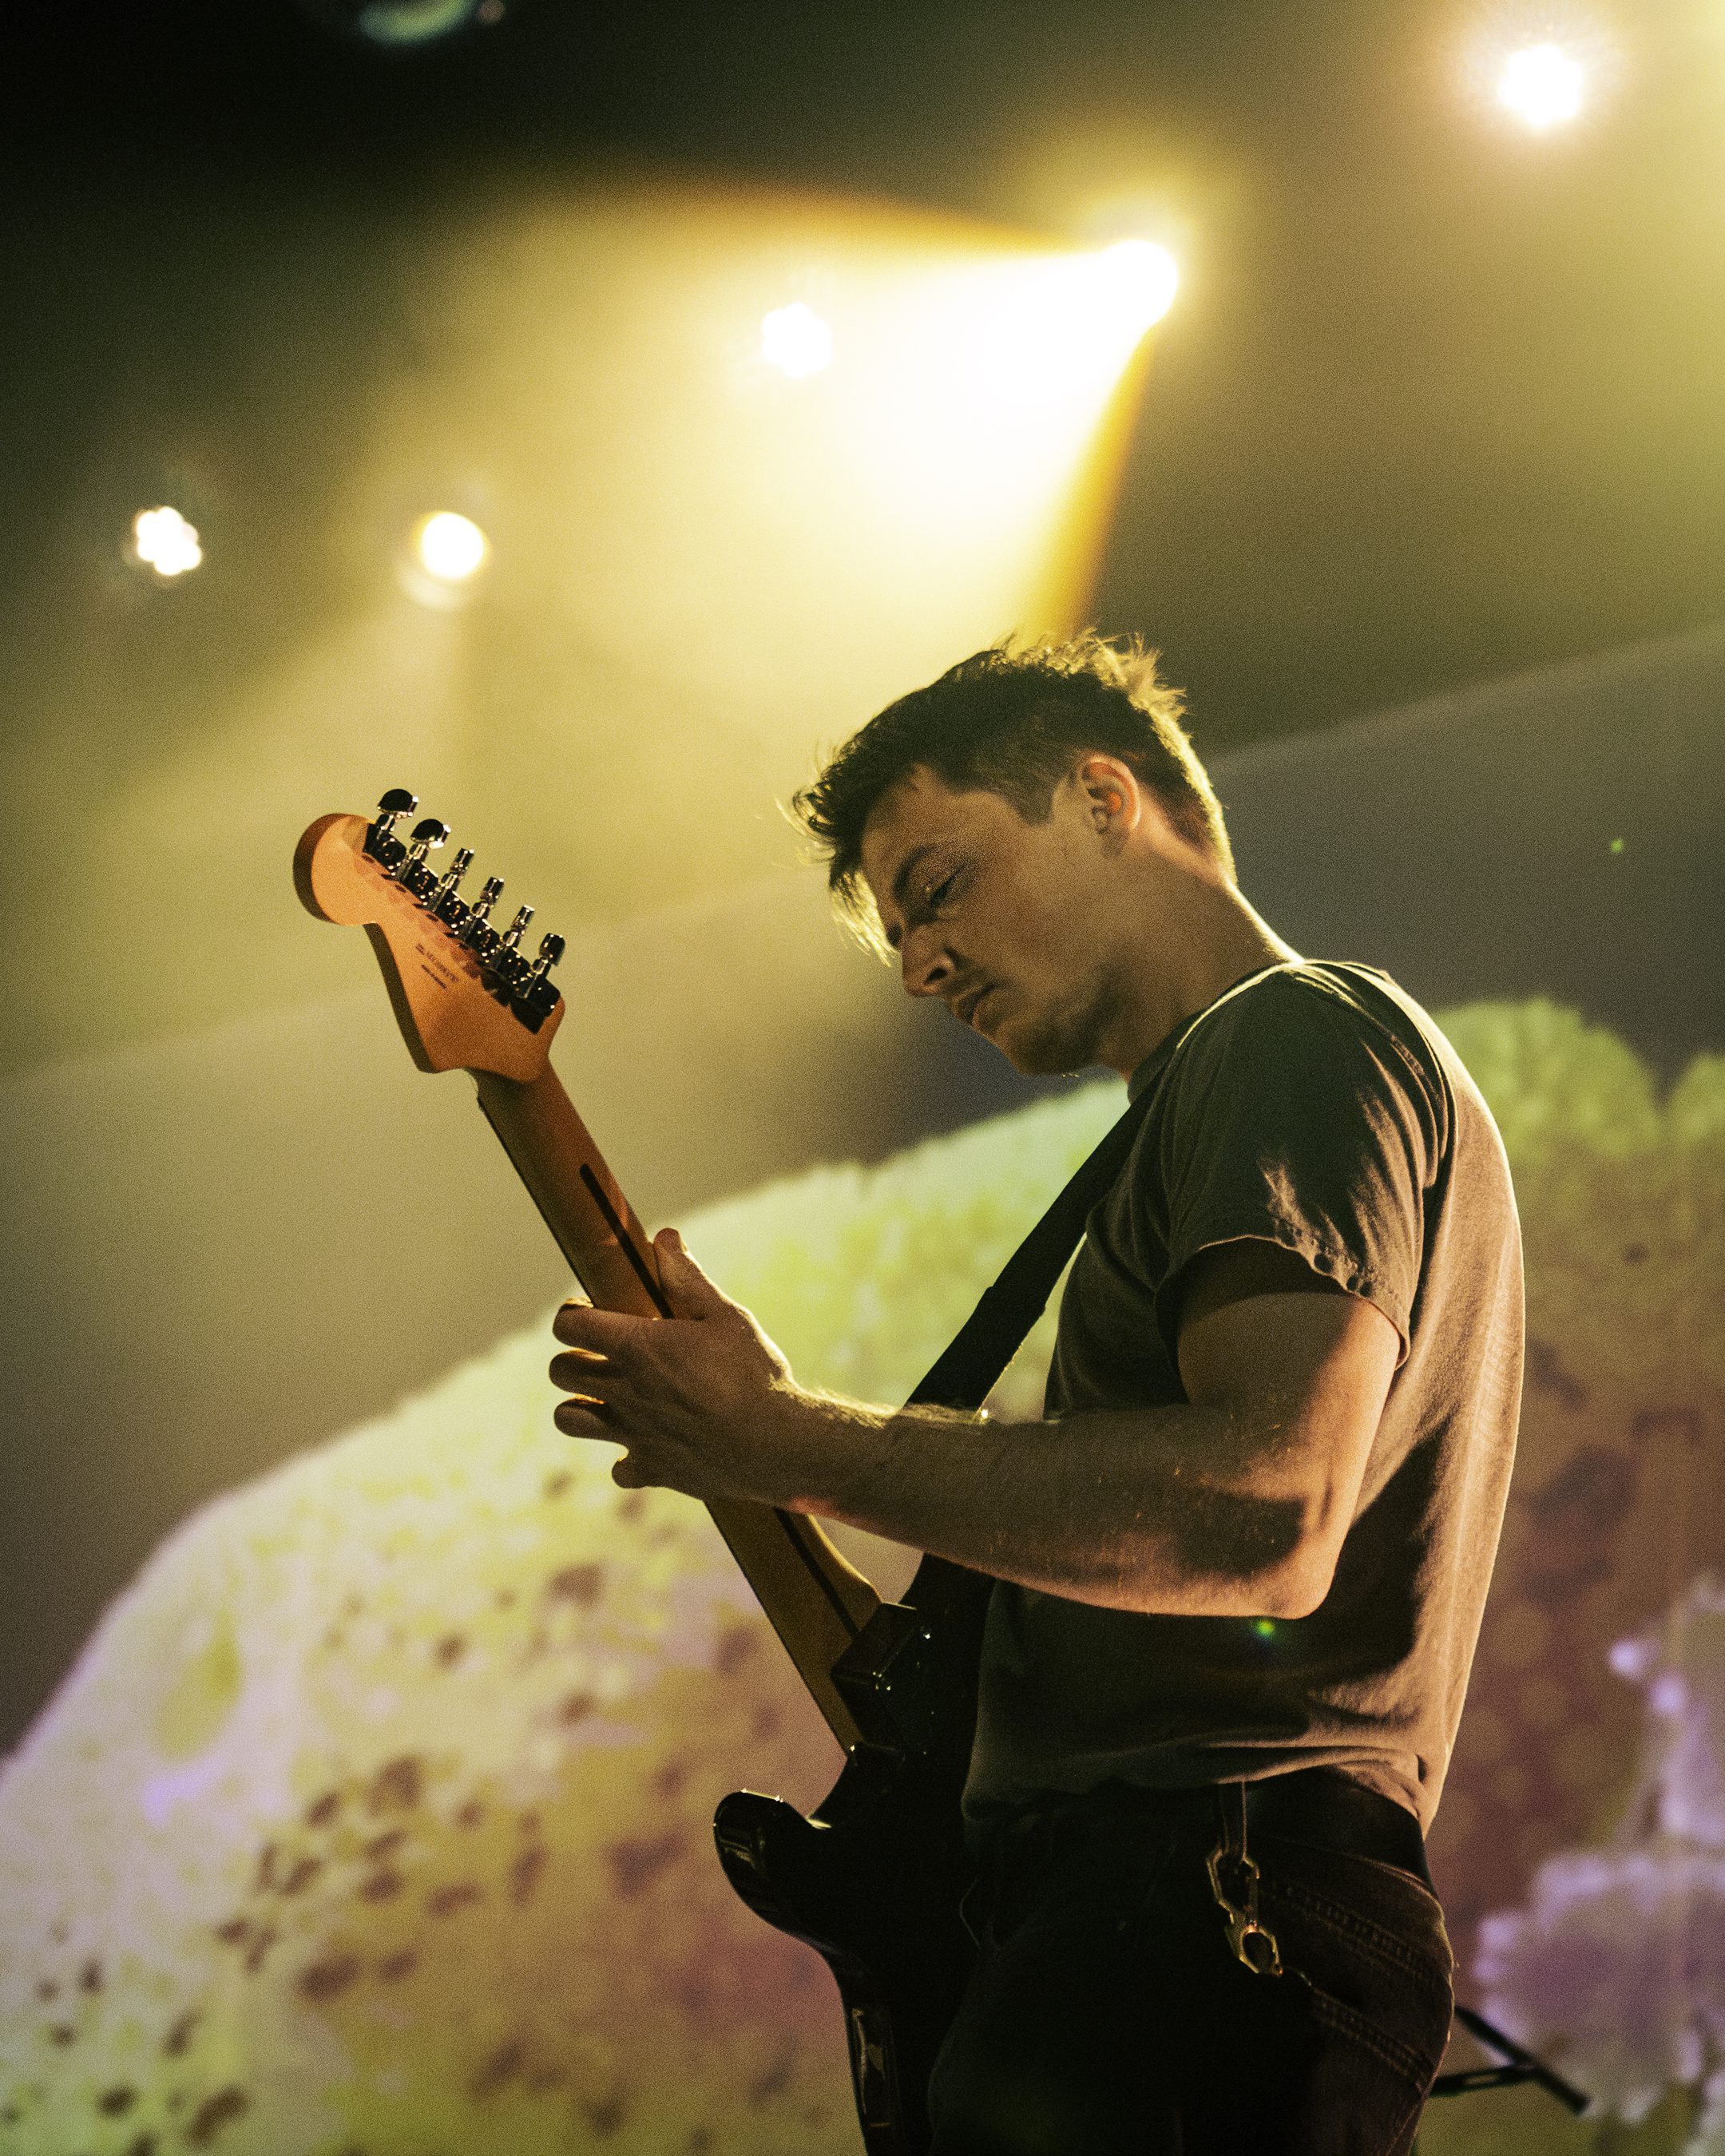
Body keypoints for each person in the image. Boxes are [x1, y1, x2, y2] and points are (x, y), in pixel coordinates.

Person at [547, 634, 1524, 2154]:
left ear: (1102, 799)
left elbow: (1263, 1512)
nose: (919, 967)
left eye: (937, 887)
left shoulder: (1287, 1037)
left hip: (1196, 1917)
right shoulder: (1210, 1104)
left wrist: (790, 1442)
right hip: (1155, 1926)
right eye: (898, 939)